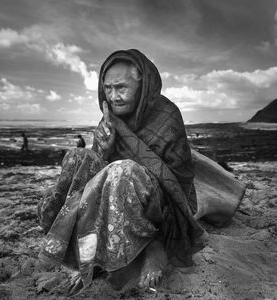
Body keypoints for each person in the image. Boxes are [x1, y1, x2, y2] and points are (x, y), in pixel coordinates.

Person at [37, 49, 245, 295]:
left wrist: (124, 164)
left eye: (121, 87)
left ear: (142, 83)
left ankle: (153, 245)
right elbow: (97, 180)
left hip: (164, 201)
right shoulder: (110, 119)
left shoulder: (167, 116)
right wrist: (104, 149)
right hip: (119, 193)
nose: (114, 96)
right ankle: (89, 254)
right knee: (77, 158)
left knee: (123, 170)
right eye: (108, 88)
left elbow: (179, 180)